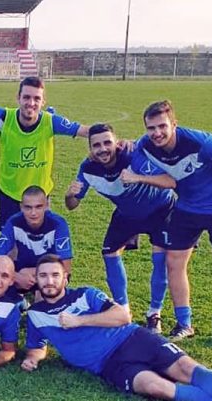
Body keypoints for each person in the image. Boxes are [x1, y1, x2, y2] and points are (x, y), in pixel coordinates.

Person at [23, 256, 212, 401]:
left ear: (65, 278)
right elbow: (37, 347)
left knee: (186, 370)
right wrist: (33, 359)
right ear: (37, 280)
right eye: (43, 276)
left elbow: (122, 316)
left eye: (55, 275)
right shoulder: (35, 315)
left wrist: (79, 321)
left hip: (133, 338)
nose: (49, 281)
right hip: (109, 365)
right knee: (155, 387)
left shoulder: (85, 295)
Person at [130, 100, 212, 353]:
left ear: (174, 124)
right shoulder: (145, 145)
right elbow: (130, 150)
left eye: (162, 126)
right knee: (174, 264)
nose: (157, 133)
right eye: (151, 128)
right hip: (187, 210)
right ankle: (184, 324)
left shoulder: (200, 143)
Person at [65, 124, 176, 332]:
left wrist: (139, 175)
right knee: (109, 253)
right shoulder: (88, 168)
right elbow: (72, 205)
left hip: (160, 209)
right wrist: (70, 195)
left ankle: (154, 314)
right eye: (96, 145)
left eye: (107, 142)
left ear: (116, 142)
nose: (103, 149)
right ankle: (123, 310)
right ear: (90, 148)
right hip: (127, 212)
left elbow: (169, 178)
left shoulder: (132, 155)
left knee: (160, 258)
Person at [0, 77, 90, 228]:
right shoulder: (4, 117)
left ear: (43, 101)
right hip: (10, 194)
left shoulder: (51, 121)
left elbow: (86, 131)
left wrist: (112, 141)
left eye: (37, 98)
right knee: (10, 239)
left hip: (40, 195)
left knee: (40, 238)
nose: (31, 103)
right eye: (26, 97)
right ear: (18, 98)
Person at [0, 185, 72, 294]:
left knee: (48, 292)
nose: (33, 213)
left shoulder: (58, 224)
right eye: (28, 207)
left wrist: (36, 272)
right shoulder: (14, 222)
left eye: (38, 207)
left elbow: (66, 267)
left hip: (50, 274)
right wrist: (16, 277)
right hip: (22, 273)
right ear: (21, 207)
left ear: (46, 206)